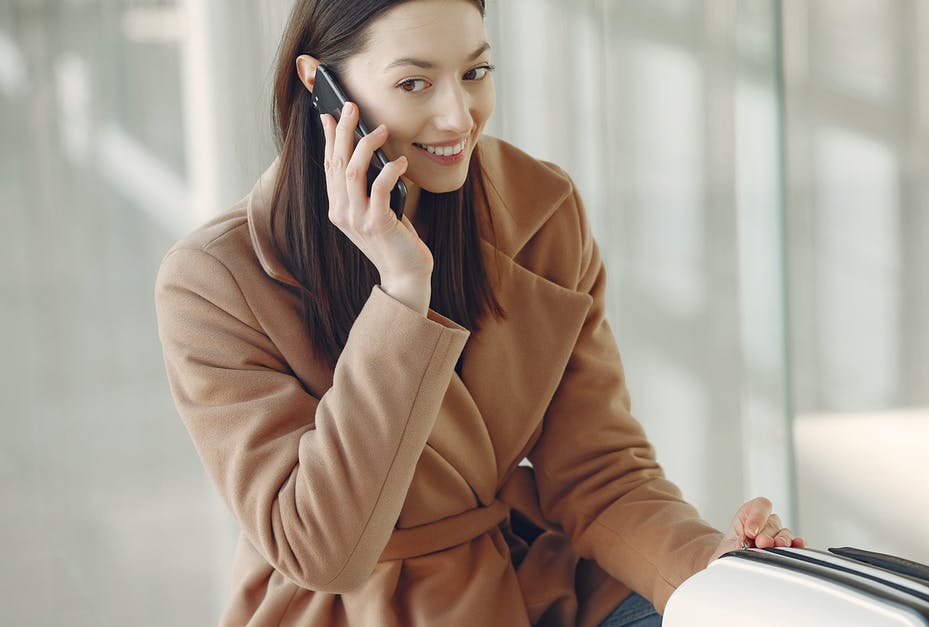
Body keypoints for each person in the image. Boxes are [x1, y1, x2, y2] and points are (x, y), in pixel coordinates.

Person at [154, 0, 804, 625]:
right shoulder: (213, 281)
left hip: (534, 588)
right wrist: (402, 292)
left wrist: (707, 563)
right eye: (414, 82)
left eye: (475, 73)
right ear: (319, 81)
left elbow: (598, 473)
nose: (457, 116)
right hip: (346, 608)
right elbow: (325, 550)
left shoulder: (541, 209)